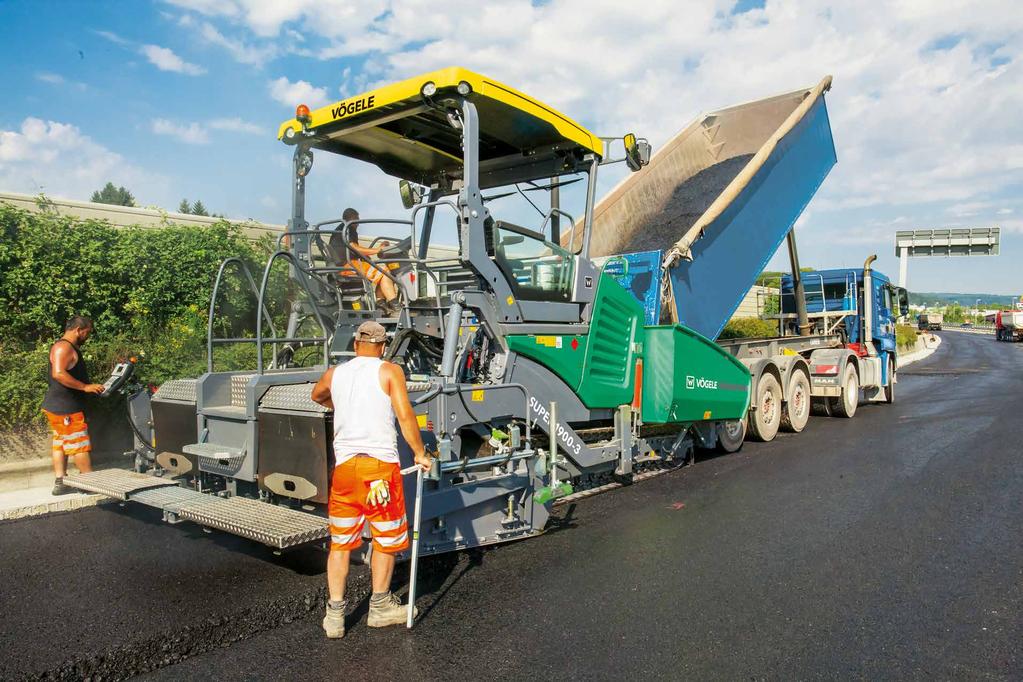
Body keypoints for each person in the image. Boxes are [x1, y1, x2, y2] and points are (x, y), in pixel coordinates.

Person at [310, 320, 433, 638]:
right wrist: (420, 453)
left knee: (340, 543)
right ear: (383, 346)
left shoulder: (335, 373)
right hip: (378, 472)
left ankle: (334, 616)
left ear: (355, 344)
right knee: (386, 539)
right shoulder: (390, 371)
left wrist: (345, 406)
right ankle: (380, 608)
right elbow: (405, 415)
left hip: (346, 471)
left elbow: (317, 396)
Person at [41, 316, 105, 495]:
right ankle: (89, 482)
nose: (88, 336)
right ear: (79, 330)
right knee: (79, 444)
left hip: (59, 406)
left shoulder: (65, 347)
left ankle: (61, 482)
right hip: (66, 407)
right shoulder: (63, 347)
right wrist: (85, 387)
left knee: (60, 443)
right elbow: (59, 374)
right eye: (87, 332)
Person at [329, 207, 402, 316]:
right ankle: (396, 307)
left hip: (345, 265)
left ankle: (381, 304)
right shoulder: (348, 228)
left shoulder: (340, 230)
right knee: (385, 272)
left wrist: (367, 257)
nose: (358, 223)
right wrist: (377, 250)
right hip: (348, 266)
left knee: (382, 271)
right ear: (351, 219)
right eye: (357, 220)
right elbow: (354, 248)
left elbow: (352, 250)